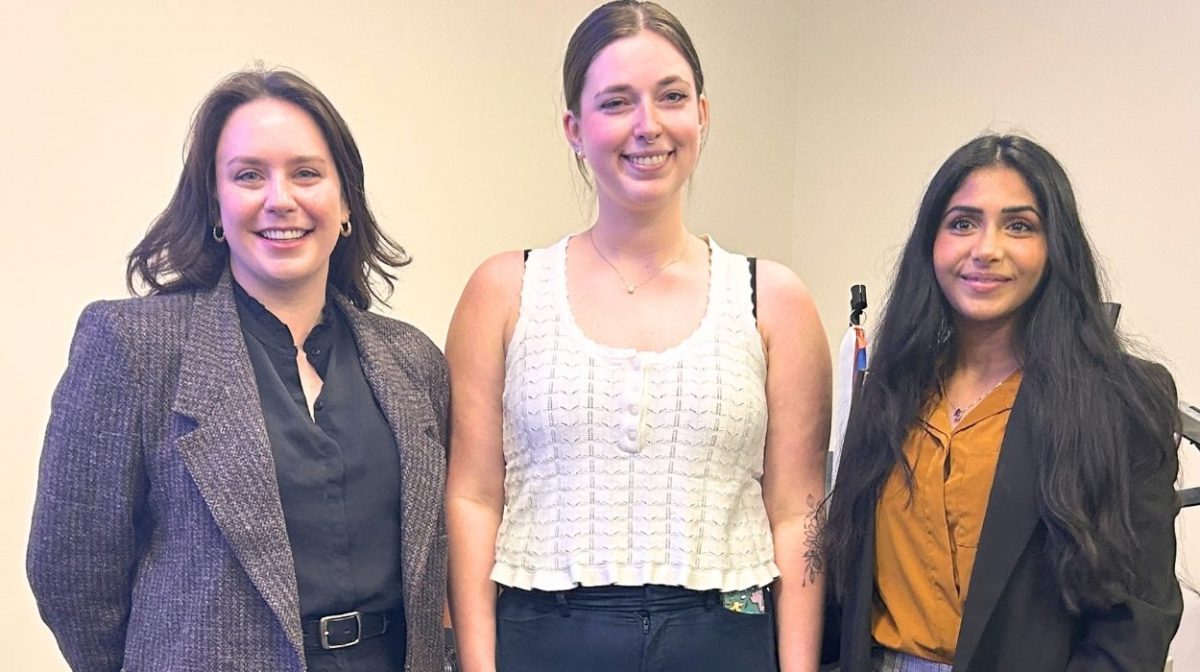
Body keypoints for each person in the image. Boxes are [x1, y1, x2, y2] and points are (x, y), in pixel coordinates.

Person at [445, 2, 831, 671]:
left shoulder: (772, 300)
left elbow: (799, 515)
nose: (647, 126)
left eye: (671, 97)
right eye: (617, 102)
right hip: (544, 634)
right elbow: (473, 497)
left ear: (702, 116)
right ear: (574, 127)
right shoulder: (504, 291)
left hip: (725, 632)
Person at [27, 68, 449, 671]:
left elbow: (443, 563)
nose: (281, 199)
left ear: (346, 201)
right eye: (249, 175)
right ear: (216, 206)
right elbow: (71, 574)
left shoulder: (414, 361)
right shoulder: (134, 347)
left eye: (306, 172)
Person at [822, 134, 1182, 671]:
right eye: (962, 222)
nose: (986, 249)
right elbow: (845, 583)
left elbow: (1136, 623)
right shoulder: (889, 389)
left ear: (1055, 247)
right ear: (932, 245)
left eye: (1019, 225)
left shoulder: (1120, 401)